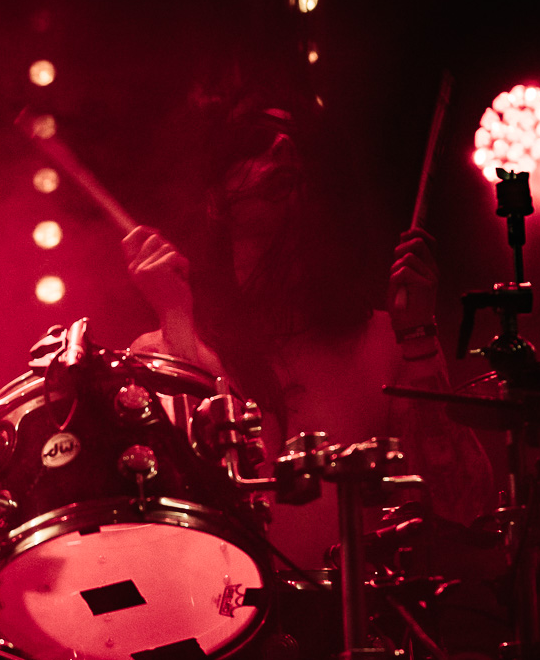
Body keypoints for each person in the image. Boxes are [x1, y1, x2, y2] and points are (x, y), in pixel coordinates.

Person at [120, 89, 493, 569]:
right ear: (215, 201)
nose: (282, 146)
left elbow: (465, 506)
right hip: (231, 615)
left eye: (292, 140)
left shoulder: (385, 342)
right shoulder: (164, 348)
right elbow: (169, 520)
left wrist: (419, 339)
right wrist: (174, 317)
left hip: (362, 613)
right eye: (254, 142)